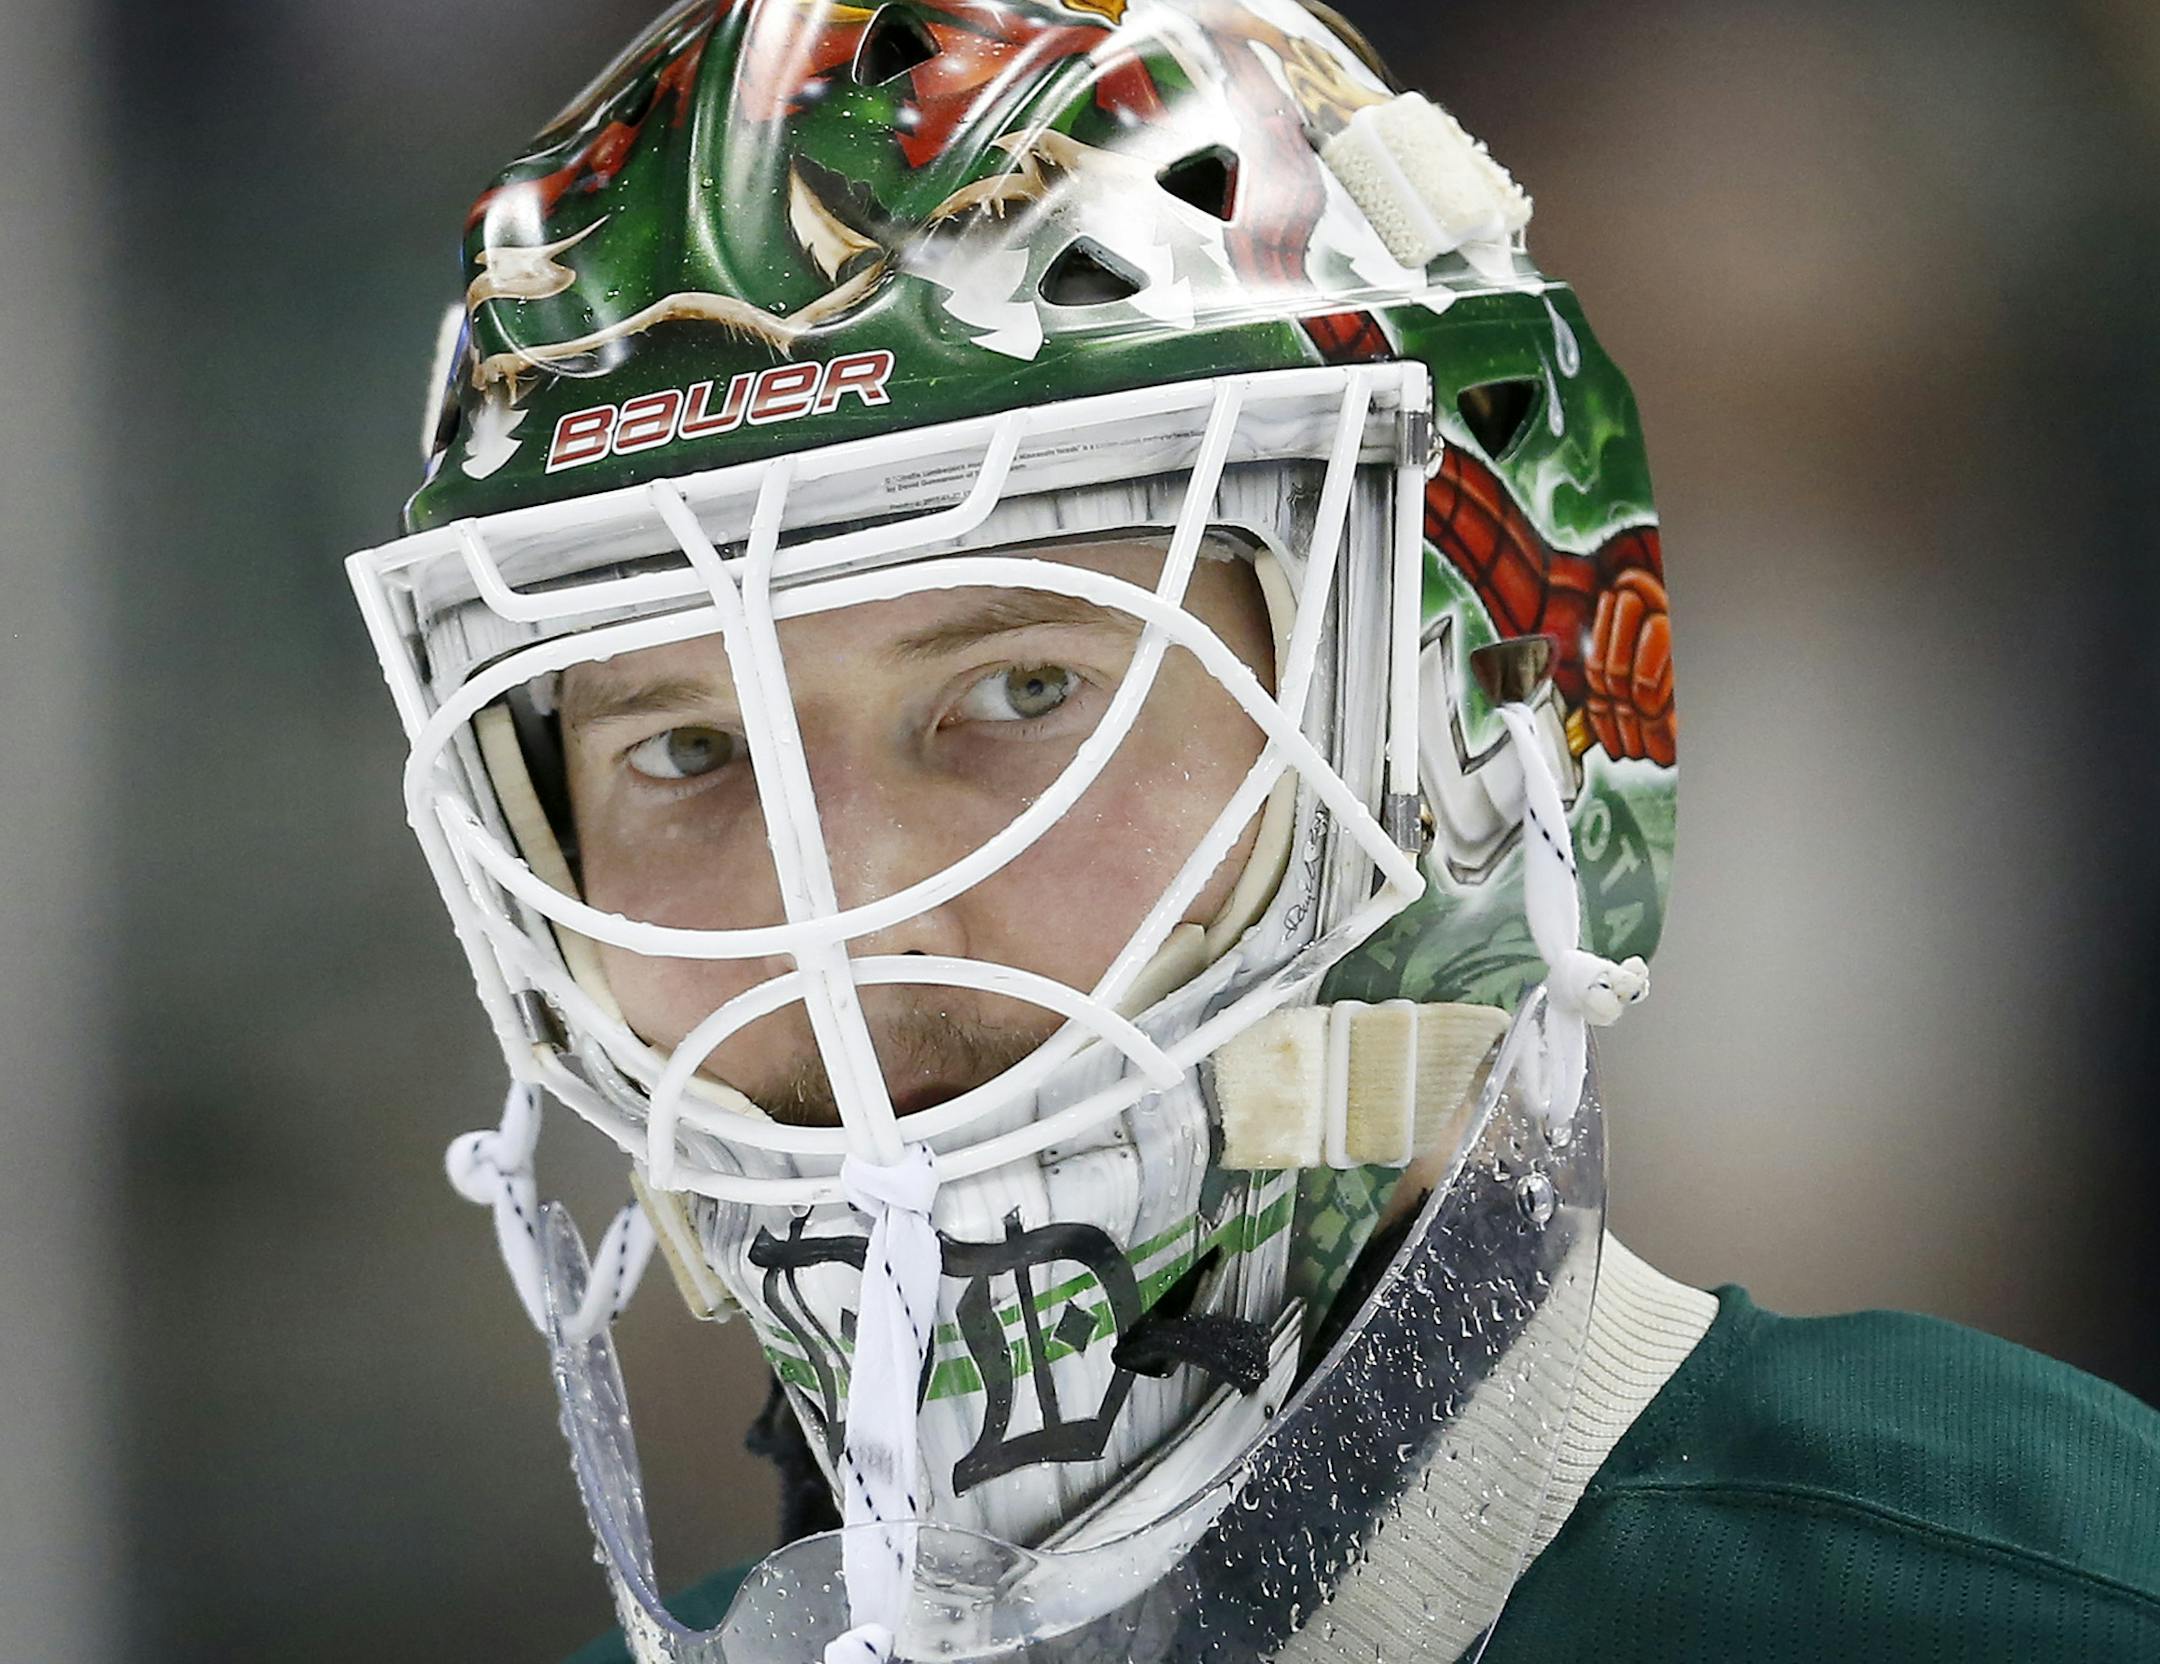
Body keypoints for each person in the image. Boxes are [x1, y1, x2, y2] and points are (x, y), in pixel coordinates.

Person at [346, 1, 2160, 1658]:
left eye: (1029, 692)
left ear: (1459, 722)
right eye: (681, 751)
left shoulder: (2012, 1603)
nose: (846, 914)